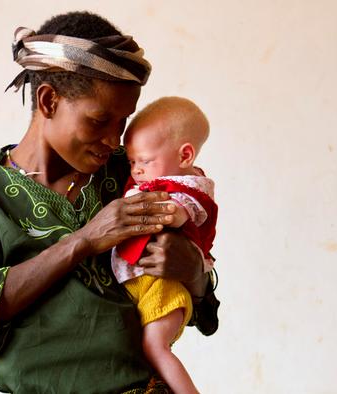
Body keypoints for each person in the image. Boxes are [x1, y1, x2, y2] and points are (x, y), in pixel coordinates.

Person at [0, 11, 219, 394]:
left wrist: (193, 271)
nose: (115, 140)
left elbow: (203, 301)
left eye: (123, 124)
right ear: (48, 101)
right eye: (100, 120)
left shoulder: (131, 175)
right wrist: (82, 242)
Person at [110, 97, 217, 394]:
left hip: (162, 287)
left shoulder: (186, 188)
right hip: (142, 285)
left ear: (184, 156)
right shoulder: (146, 180)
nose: (137, 170)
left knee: (155, 347)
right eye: (132, 162)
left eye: (144, 161)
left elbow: (178, 211)